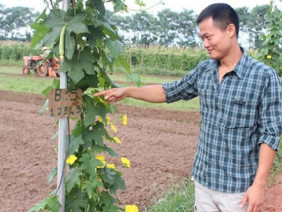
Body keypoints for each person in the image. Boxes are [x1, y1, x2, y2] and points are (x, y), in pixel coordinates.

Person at [94, 3, 282, 212]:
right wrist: (127, 91)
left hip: (238, 189)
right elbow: (168, 91)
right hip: (203, 181)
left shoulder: (263, 76)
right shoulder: (204, 70)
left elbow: (270, 134)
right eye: (202, 38)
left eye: (209, 37)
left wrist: (259, 185)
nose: (205, 44)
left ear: (230, 30)